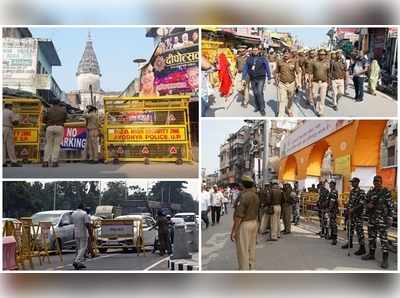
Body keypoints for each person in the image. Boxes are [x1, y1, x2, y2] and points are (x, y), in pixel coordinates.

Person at [362, 176, 394, 269]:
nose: (376, 182)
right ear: (373, 182)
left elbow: (390, 206)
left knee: (383, 240)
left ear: (381, 182)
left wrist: (390, 217)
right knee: (371, 238)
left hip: (382, 220)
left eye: (378, 181)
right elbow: (364, 202)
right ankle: (371, 254)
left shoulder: (385, 192)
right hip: (372, 219)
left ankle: (385, 259)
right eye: (375, 181)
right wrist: (368, 205)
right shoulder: (370, 192)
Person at [231, 176, 260, 270]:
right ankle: (251, 268)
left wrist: (234, 231)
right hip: (254, 223)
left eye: (241, 183)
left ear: (243, 185)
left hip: (244, 224)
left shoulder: (243, 196)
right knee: (252, 248)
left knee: (243, 250)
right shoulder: (255, 195)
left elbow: (239, 216)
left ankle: (244, 271)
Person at [242, 46, 272, 116]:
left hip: (261, 78)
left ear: (259, 51)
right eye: (253, 50)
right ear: (252, 51)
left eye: (256, 50)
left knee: (259, 92)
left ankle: (262, 108)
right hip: (252, 78)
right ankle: (257, 107)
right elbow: (245, 68)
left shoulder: (263, 58)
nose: (255, 51)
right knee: (255, 93)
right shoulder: (249, 59)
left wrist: (269, 77)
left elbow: (267, 67)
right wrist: (243, 78)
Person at [341, 177, 366, 255]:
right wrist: (347, 206)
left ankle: (362, 248)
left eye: (353, 182)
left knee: (359, 231)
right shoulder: (352, 191)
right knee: (350, 229)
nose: (352, 183)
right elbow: (351, 202)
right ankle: (350, 243)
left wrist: (353, 209)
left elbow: (361, 204)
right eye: (351, 182)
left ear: (358, 182)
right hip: (351, 214)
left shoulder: (361, 192)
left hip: (358, 215)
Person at [274, 48, 300, 117]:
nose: (285, 54)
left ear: (290, 54)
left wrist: (298, 82)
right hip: (282, 83)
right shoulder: (279, 61)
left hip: (292, 83)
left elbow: (298, 72)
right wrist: (276, 80)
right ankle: (281, 115)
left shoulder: (294, 61)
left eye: (287, 53)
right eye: (284, 53)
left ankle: (289, 109)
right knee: (282, 100)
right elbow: (276, 72)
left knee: (290, 98)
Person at [42, 99, 67, 167]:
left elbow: (44, 119)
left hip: (50, 127)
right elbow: (65, 119)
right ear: (59, 103)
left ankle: (45, 161)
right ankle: (54, 162)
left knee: (48, 144)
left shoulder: (48, 110)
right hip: (59, 127)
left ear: (52, 103)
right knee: (56, 145)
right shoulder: (63, 110)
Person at [311, 48, 330, 117]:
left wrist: (329, 82)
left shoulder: (328, 63)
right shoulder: (314, 62)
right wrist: (310, 81)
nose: (322, 55)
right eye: (320, 54)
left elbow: (329, 73)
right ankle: (315, 103)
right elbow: (311, 73)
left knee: (322, 97)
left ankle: (320, 111)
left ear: (325, 55)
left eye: (323, 54)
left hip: (324, 82)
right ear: (318, 55)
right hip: (315, 82)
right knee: (314, 96)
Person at [71, 203, 91, 270]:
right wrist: (90, 233)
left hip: (76, 233)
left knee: (79, 248)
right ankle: (76, 261)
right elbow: (87, 224)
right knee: (83, 248)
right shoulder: (84, 214)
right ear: (82, 207)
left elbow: (74, 223)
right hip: (83, 233)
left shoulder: (73, 214)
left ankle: (79, 263)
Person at [3, 103, 21, 167]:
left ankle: (3, 162)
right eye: (11, 106)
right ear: (9, 106)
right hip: (8, 128)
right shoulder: (10, 112)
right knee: (10, 146)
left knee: (2, 146)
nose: (12, 107)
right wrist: (18, 119)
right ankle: (13, 161)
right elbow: (15, 122)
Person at [327, 181, 339, 245]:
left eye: (332, 185)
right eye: (330, 184)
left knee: (334, 225)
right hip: (331, 210)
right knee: (331, 224)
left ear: (334, 185)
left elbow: (332, 202)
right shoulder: (331, 191)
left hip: (333, 211)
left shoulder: (334, 192)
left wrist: (329, 210)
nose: (330, 186)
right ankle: (332, 236)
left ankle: (335, 239)